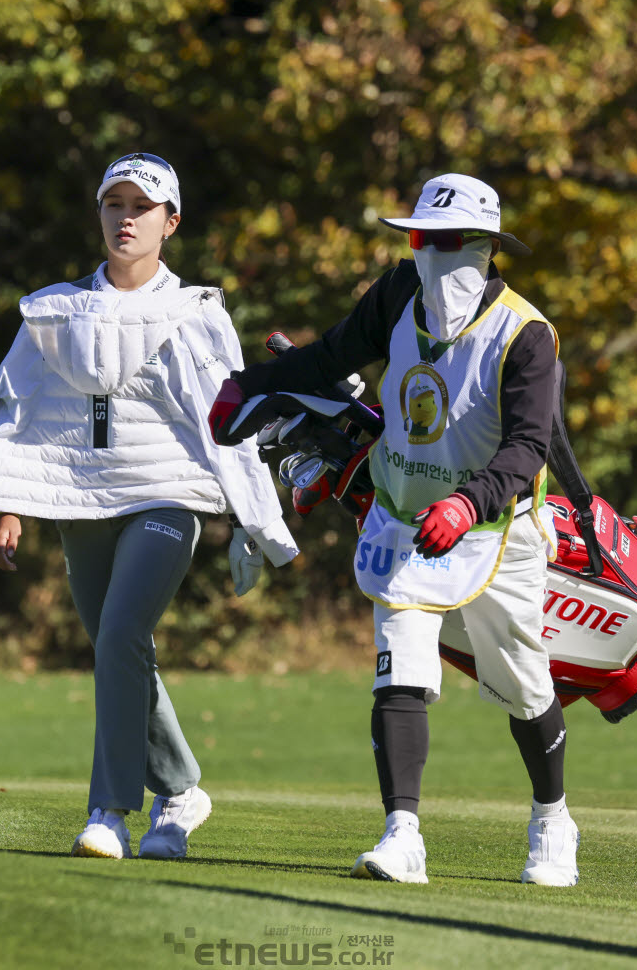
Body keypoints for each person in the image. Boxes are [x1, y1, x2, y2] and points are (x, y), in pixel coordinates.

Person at [209, 173, 580, 886]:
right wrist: (252, 382)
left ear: (485, 247)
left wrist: (468, 504)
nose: (430, 255)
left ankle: (552, 818)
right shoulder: (396, 294)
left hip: (498, 530)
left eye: (446, 242)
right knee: (400, 666)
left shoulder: (527, 335)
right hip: (403, 516)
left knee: (523, 685)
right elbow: (330, 356)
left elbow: (528, 446)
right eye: (420, 240)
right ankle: (401, 833)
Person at [0, 152, 299, 861]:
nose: (126, 217)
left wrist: (258, 521)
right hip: (81, 501)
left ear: (171, 222)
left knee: (119, 635)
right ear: (99, 212)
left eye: (142, 206)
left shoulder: (197, 312)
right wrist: (5, 506)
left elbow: (230, 421)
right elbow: (19, 413)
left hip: (169, 497)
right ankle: (180, 793)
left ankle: (108, 811)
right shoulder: (53, 311)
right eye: (115, 203)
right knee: (119, 650)